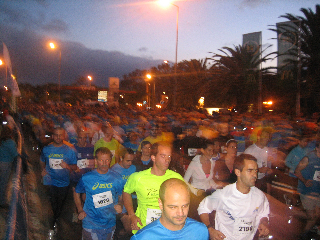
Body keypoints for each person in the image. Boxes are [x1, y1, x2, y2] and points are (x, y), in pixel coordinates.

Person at [198, 154, 270, 240]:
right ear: (238, 172)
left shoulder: (259, 196)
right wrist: (209, 229)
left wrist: (264, 223)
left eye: (256, 171)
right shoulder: (224, 195)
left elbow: (263, 213)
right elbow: (203, 207)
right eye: (250, 171)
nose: (255, 175)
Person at [123, 141, 184, 234]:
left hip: (168, 229)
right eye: (163, 156)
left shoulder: (176, 178)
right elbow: (126, 192)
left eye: (169, 156)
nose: (167, 160)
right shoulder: (138, 177)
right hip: (144, 229)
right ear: (153, 157)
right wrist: (131, 215)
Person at [131, 178, 209, 240]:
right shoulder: (143, 237)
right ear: (161, 204)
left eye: (184, 206)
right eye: (173, 207)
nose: (181, 213)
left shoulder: (200, 231)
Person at [74, 147, 124, 240]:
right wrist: (80, 209)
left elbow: (121, 194)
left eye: (107, 160)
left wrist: (120, 204)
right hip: (91, 223)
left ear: (110, 160)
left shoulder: (117, 178)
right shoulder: (87, 178)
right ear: (96, 161)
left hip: (109, 222)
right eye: (101, 160)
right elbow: (76, 192)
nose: (104, 163)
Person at [40, 127, 77, 237]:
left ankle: (55, 220)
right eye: (56, 135)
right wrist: (42, 169)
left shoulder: (70, 150)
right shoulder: (47, 149)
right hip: (50, 181)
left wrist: (68, 166)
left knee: (59, 205)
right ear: (52, 136)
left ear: (64, 136)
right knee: (52, 203)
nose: (58, 137)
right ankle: (52, 225)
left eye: (60, 135)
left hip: (63, 183)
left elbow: (75, 167)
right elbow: (42, 160)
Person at [294, 141, 320, 239]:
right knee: (312, 216)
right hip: (307, 191)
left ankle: (306, 230)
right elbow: (296, 171)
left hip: (318, 191)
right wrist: (304, 181)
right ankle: (302, 235)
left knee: (316, 215)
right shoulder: (308, 158)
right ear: (317, 148)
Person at [111, 148, 136, 236]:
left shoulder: (133, 168)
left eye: (131, 161)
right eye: (128, 160)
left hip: (132, 201)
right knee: (127, 228)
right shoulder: (114, 170)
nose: (130, 163)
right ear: (121, 158)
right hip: (120, 202)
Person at [244, 128, 273, 192]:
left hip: (262, 179)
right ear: (258, 137)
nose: (267, 139)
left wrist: (268, 169)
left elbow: (265, 163)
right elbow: (244, 168)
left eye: (268, 137)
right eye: (265, 136)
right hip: (253, 181)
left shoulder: (266, 149)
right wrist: (259, 170)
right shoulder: (250, 151)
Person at [0, 126, 18, 208]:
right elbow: (14, 154)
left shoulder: (1, 141)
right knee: (3, 182)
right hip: (6, 164)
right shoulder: (10, 142)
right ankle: (2, 202)